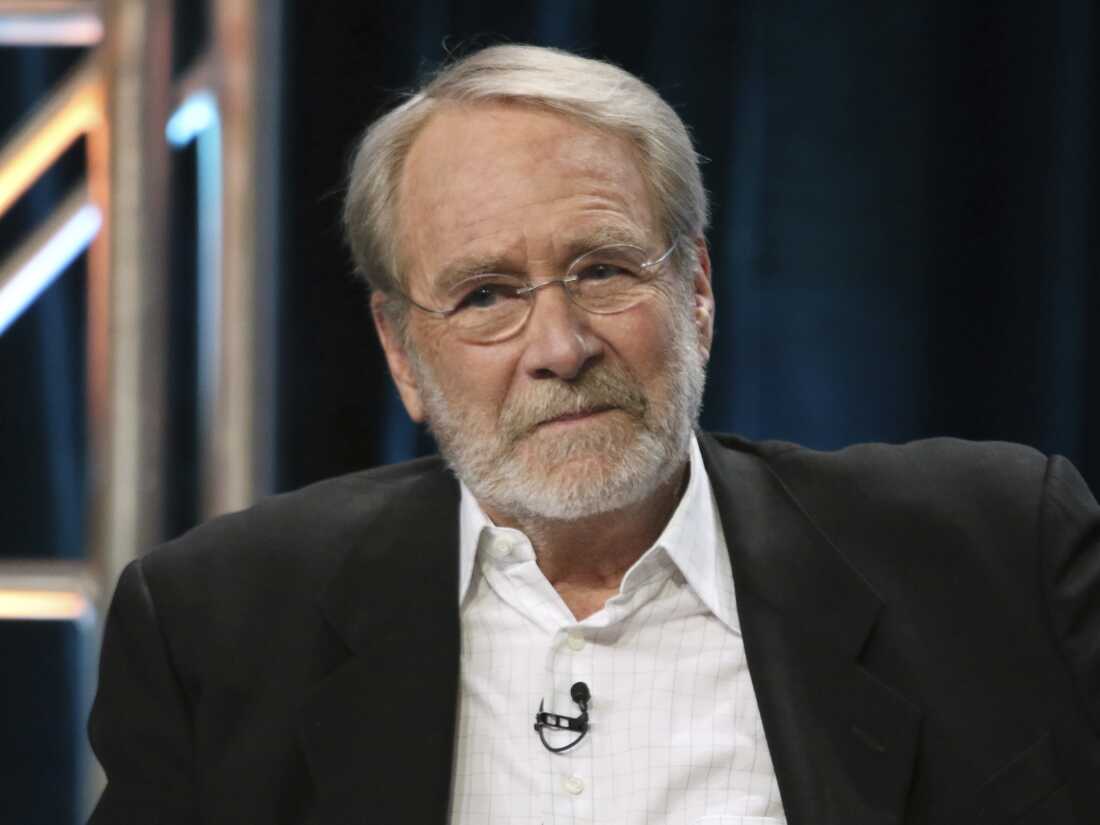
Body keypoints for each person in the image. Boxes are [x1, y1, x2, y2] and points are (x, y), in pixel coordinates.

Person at [87, 44, 1100, 825]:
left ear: (695, 290)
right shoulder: (218, 629)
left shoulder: (992, 553)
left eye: (603, 270)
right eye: (486, 295)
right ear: (400, 353)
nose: (561, 347)